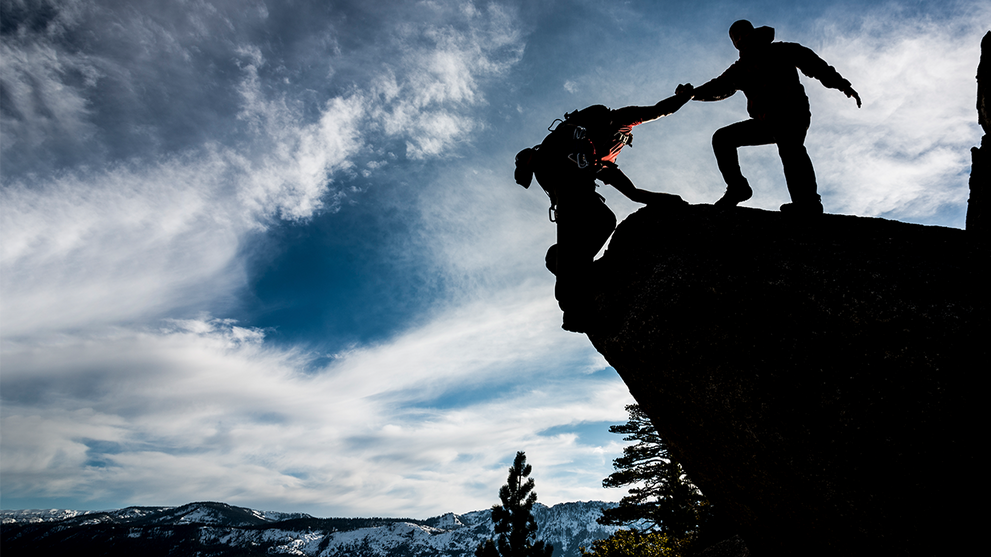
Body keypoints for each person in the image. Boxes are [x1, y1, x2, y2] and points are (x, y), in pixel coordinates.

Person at [515, 85, 694, 332]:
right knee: (578, 233)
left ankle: (562, 262)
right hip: (566, 183)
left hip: (573, 184)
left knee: (604, 220)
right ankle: (573, 309)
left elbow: (632, 194)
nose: (620, 143)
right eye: (622, 138)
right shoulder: (608, 124)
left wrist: (667, 200)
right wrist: (683, 98)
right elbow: (658, 111)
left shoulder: (601, 162)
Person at [691, 19, 861, 214]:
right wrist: (691, 93)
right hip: (766, 121)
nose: (740, 39)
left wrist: (842, 84)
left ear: (753, 32)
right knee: (722, 138)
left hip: (793, 113)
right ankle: (738, 188)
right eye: (735, 38)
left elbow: (814, 65)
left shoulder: (781, 50)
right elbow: (718, 87)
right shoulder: (740, 69)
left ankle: (807, 201)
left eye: (743, 33)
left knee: (789, 142)